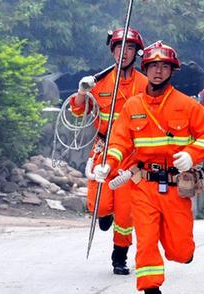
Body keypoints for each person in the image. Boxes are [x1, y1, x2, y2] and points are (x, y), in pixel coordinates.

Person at [93, 41, 204, 294]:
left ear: (171, 71)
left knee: (180, 251)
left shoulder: (186, 105)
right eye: (153, 66)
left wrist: (192, 153)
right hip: (143, 186)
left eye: (164, 66)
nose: (158, 71)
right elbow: (119, 141)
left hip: (176, 188)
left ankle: (180, 251)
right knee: (146, 245)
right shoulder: (133, 106)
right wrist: (108, 164)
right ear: (146, 69)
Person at [70, 27, 147, 275]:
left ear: (136, 53)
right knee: (99, 205)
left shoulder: (145, 84)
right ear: (112, 51)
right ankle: (104, 213)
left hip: (131, 154)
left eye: (130, 49)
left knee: (125, 213)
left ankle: (119, 256)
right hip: (103, 149)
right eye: (119, 48)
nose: (123, 53)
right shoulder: (99, 82)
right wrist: (81, 93)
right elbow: (79, 111)